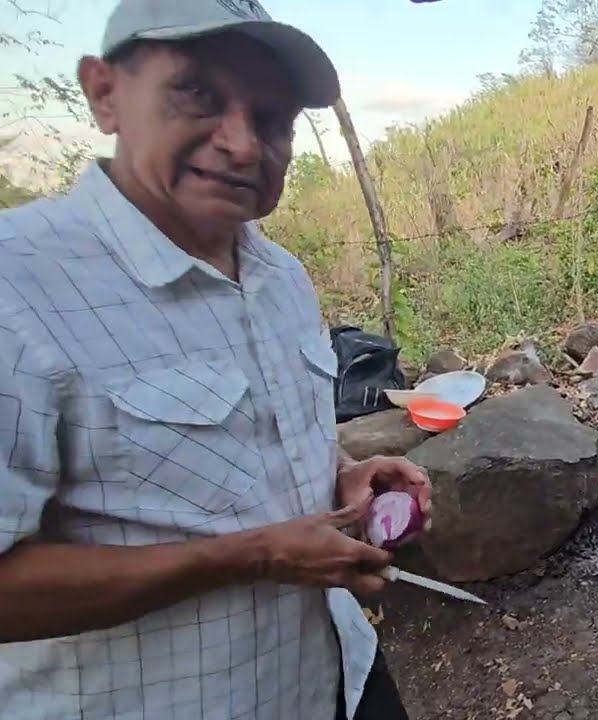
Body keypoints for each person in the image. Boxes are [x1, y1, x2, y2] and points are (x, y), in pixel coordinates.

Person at [0, 2, 431, 718]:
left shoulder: (281, 276)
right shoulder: (17, 287)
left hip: (334, 678)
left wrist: (346, 479)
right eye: (197, 93)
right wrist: (252, 556)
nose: (241, 144)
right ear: (105, 93)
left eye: (272, 119)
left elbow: (243, 457)